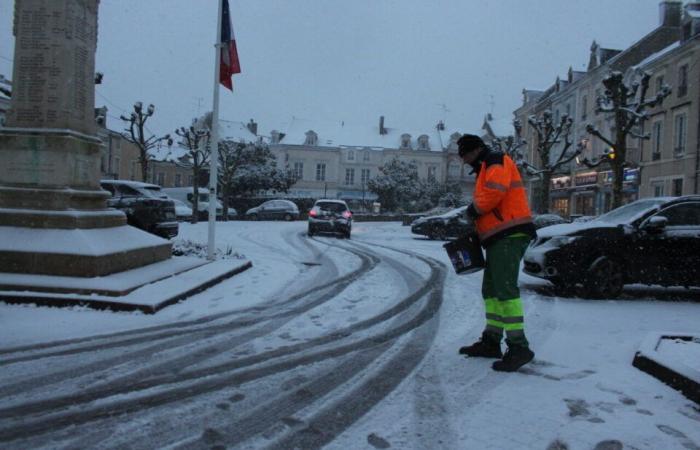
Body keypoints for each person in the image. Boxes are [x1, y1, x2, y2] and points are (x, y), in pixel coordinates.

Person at [456, 134, 537, 372]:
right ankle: (492, 340)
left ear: (476, 150)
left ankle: (519, 346)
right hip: (499, 236)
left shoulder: (495, 160)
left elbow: (493, 193)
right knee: (491, 291)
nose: (464, 161)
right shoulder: (486, 165)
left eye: (466, 155)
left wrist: (473, 211)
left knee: (505, 291)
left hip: (509, 233)